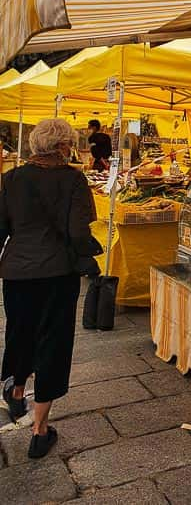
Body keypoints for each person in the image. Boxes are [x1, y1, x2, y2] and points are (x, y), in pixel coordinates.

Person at [0, 119, 100, 458]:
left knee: (20, 332)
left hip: (16, 273)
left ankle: (16, 394)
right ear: (62, 147)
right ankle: (40, 429)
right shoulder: (73, 179)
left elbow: (1, 228)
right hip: (58, 272)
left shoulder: (11, 178)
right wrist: (90, 254)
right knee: (53, 342)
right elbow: (78, 232)